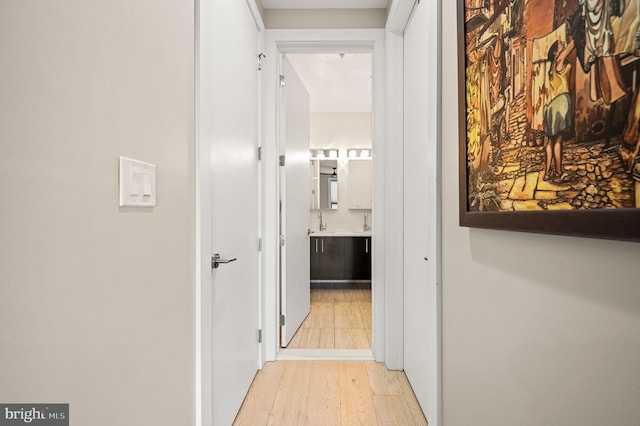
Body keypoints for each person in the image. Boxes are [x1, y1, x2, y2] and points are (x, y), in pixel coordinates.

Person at [544, 39, 575, 182]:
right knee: (558, 140)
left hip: (550, 105)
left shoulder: (552, 66)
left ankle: (546, 172)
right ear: (556, 52)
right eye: (560, 44)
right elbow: (572, 44)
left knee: (549, 141)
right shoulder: (560, 60)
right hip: (560, 102)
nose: (563, 44)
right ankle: (558, 172)